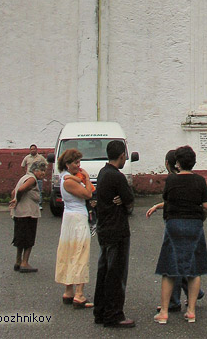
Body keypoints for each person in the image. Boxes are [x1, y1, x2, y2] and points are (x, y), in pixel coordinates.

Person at [149, 145, 207, 324]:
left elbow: (167, 201)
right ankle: (191, 311)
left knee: (169, 268)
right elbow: (206, 206)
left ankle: (164, 312)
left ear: (177, 163)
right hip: (194, 223)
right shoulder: (200, 181)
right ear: (194, 162)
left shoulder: (172, 180)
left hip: (174, 223)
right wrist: (201, 219)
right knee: (194, 268)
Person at [93, 139, 136, 329]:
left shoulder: (103, 173)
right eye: (125, 156)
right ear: (121, 156)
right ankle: (114, 314)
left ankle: (100, 311)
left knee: (104, 271)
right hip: (117, 230)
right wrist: (123, 201)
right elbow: (129, 199)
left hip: (104, 228)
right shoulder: (117, 177)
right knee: (116, 273)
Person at [54, 148, 94, 307]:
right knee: (80, 252)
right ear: (67, 164)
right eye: (75, 162)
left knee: (69, 251)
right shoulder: (70, 181)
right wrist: (87, 178)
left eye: (79, 162)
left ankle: (68, 290)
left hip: (68, 217)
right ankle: (79, 294)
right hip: (77, 217)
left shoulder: (65, 177)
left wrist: (79, 177)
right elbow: (88, 194)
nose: (79, 165)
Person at [10, 159, 48, 272]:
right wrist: (18, 199)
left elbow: (14, 191)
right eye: (41, 170)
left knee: (20, 238)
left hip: (19, 213)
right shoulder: (32, 179)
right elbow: (21, 190)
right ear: (35, 170)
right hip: (28, 213)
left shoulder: (24, 178)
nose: (43, 173)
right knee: (28, 239)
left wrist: (15, 199)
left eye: (44, 170)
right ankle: (25, 263)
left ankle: (18, 261)